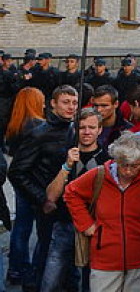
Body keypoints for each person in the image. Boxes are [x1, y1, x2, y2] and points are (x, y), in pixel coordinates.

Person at [65, 133, 140, 292]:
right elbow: (71, 192)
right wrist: (86, 224)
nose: (129, 171)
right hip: (105, 257)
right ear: (116, 159)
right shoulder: (100, 174)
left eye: (135, 166)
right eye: (124, 165)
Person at [8, 85, 78, 291]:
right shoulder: (39, 133)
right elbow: (17, 172)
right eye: (66, 102)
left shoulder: (76, 129)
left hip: (72, 204)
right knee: (47, 255)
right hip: (49, 206)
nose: (71, 107)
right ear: (53, 104)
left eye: (74, 103)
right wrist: (42, 199)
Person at [41, 107, 109, 292]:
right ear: (75, 129)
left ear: (100, 129)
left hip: (95, 227)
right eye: (82, 127)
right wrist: (67, 165)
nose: (87, 132)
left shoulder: (108, 159)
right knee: (52, 279)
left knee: (92, 281)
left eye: (92, 127)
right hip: (64, 223)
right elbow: (51, 196)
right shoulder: (62, 155)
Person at [5, 87, 46, 286]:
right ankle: (30, 268)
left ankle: (16, 268)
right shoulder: (39, 126)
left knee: (21, 227)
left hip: (20, 180)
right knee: (40, 228)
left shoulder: (15, 124)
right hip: (36, 181)